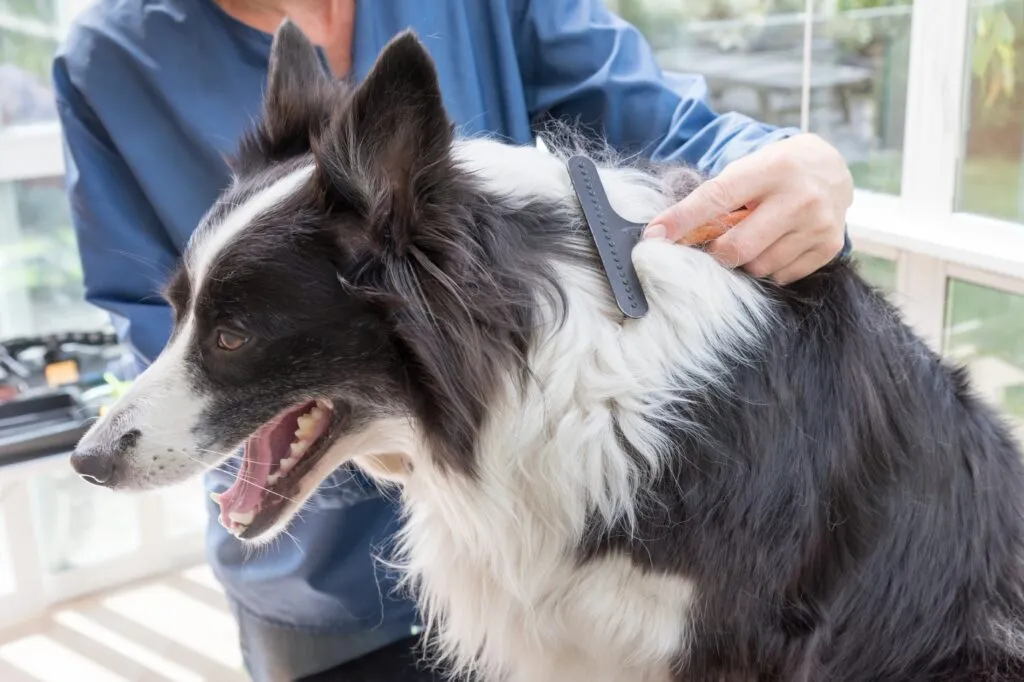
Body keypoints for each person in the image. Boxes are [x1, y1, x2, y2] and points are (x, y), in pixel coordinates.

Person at [53, 1, 853, 679]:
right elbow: (154, 328)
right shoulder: (108, 58)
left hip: (561, 547)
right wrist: (381, 437)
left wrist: (797, 168)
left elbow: (680, 132)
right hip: (328, 595)